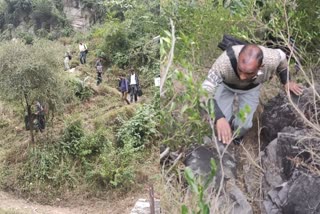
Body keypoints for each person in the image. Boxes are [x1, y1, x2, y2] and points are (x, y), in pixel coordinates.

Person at [202, 44, 303, 145]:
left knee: (244, 125)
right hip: (226, 85)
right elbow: (204, 92)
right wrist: (219, 117)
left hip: (251, 88)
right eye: (240, 70)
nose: (242, 77)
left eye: (249, 73)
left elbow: (282, 58)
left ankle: (237, 137)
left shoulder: (271, 58)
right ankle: (227, 126)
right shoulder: (224, 61)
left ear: (261, 66)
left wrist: (287, 81)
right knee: (221, 119)